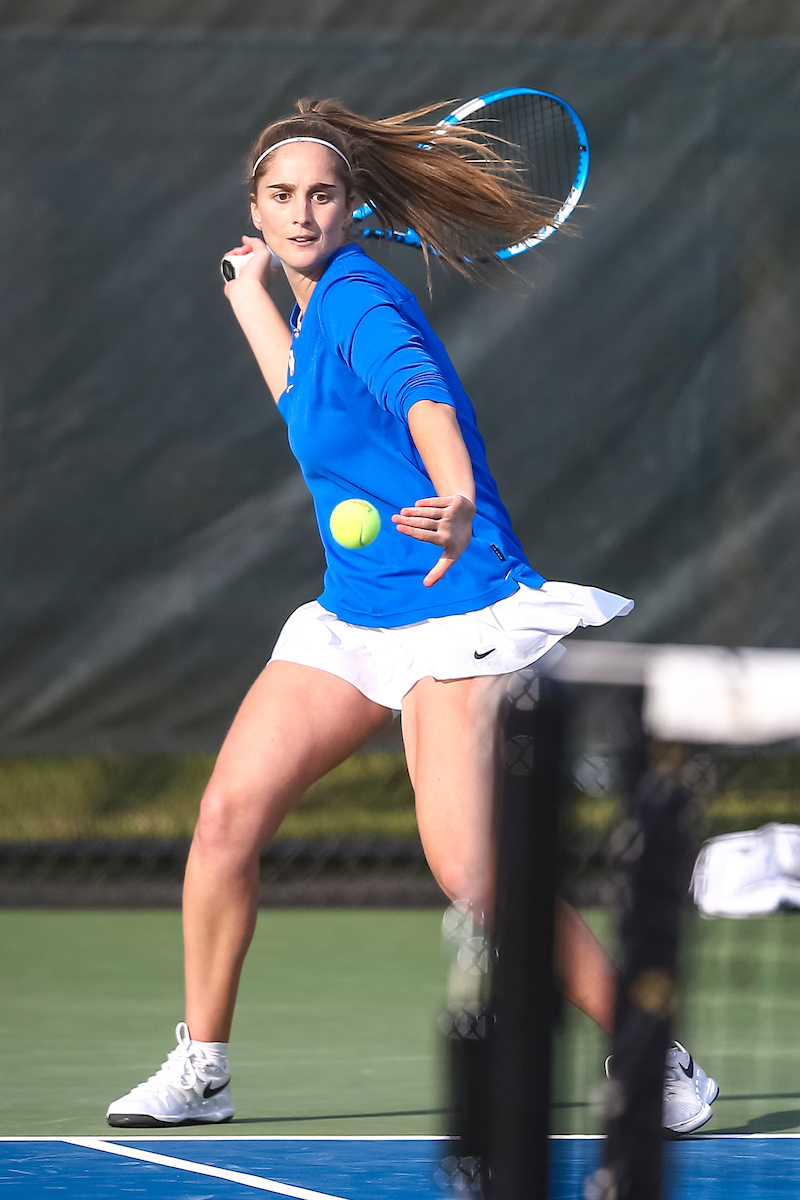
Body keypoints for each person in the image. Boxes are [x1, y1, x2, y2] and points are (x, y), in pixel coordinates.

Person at [106, 98, 717, 1135]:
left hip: (455, 604)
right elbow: (300, 399)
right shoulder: (305, 304)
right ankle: (202, 1069)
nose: (302, 215)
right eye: (282, 198)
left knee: (472, 870)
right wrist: (246, 292)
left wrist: (456, 493)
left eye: (322, 196)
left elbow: (424, 400)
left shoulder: (361, 304)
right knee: (222, 824)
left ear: (350, 207)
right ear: (254, 208)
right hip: (353, 617)